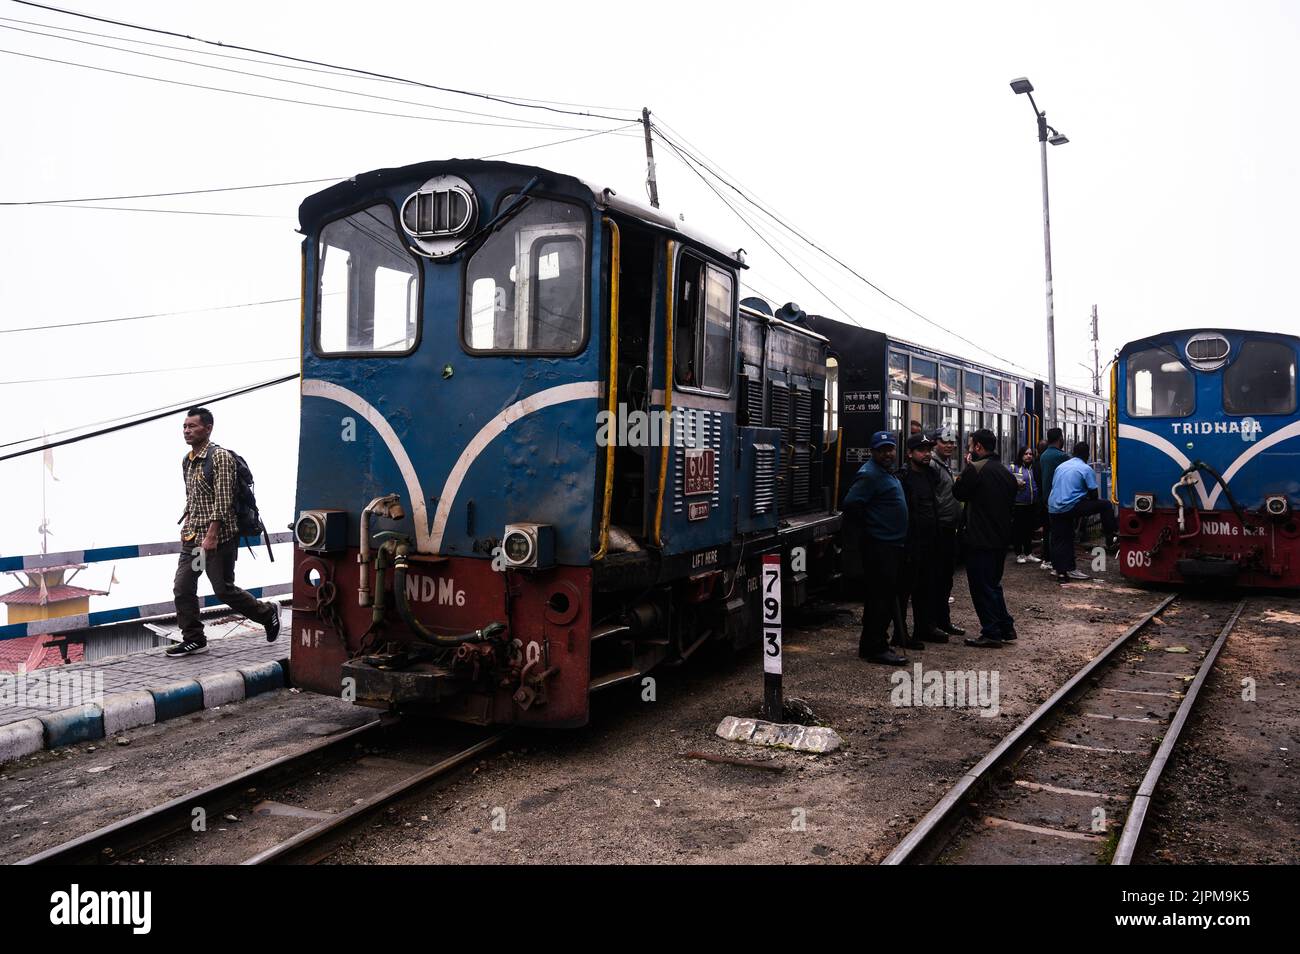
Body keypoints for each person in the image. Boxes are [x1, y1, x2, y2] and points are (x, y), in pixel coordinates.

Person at [169, 407, 280, 657]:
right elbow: (192, 498)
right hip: (193, 539)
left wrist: (212, 534)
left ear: (208, 428)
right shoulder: (187, 460)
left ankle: (267, 613)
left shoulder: (219, 457)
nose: (187, 431)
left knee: (223, 589)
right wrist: (187, 525)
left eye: (192, 426)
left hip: (219, 538)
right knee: (183, 586)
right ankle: (194, 638)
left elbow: (223, 500)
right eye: (185, 426)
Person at [842, 431, 909, 666]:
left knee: (885, 596)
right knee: (879, 598)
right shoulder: (869, 475)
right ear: (873, 452)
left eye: (890, 449)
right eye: (882, 450)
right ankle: (875, 648)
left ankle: (876, 643)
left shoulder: (884, 473)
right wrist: (872, 529)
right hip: (880, 546)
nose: (888, 453)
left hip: (891, 545)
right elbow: (851, 504)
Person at [952, 428, 1017, 647]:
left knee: (981, 587)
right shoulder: (1005, 472)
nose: (970, 449)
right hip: (1001, 539)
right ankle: (1006, 627)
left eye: (971, 445)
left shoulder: (976, 469)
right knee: (993, 584)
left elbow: (958, 492)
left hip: (979, 539)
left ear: (978, 447)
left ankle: (991, 632)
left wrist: (967, 467)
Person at [1047, 442, 1120, 582]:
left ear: (1073, 453)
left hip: (1053, 507)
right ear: (1086, 455)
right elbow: (1094, 494)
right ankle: (1111, 536)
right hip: (1070, 507)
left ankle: (1061, 572)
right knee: (1105, 505)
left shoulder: (1061, 467)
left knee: (1061, 538)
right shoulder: (1085, 468)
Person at [896, 434, 944, 645]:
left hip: (930, 540)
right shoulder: (902, 478)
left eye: (928, 450)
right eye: (921, 450)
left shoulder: (931, 474)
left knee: (927, 586)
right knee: (905, 589)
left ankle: (924, 628)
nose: (927, 454)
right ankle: (900, 634)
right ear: (909, 453)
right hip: (910, 541)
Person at [928, 427, 965, 637]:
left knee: (946, 579)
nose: (950, 445)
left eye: (952, 442)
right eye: (945, 442)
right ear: (935, 443)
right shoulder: (933, 465)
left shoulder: (945, 465)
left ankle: (944, 621)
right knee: (937, 578)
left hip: (949, 527)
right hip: (939, 529)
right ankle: (934, 623)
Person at [1037, 428, 1069, 571]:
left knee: (1048, 530)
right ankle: (1056, 561)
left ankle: (1048, 558)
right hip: (1058, 499)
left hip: (1046, 497)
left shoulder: (1044, 455)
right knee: (1058, 532)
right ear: (1060, 439)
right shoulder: (1061, 456)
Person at [1010, 446, 1041, 564]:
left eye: (1030, 454)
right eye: (1026, 454)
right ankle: (1019, 553)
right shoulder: (1014, 467)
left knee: (1029, 529)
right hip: (1019, 504)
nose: (1029, 456)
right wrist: (1015, 483)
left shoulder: (1033, 468)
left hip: (1031, 503)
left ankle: (1028, 553)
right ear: (1021, 455)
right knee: (1018, 529)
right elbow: (1007, 482)